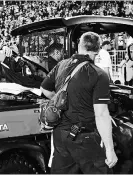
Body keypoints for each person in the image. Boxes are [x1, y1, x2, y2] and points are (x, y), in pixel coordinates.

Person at [40, 32, 118, 173]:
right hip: (83, 137)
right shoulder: (99, 75)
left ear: (79, 46)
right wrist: (110, 150)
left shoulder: (61, 65)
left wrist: (61, 99)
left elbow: (44, 88)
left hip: (60, 134)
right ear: (99, 49)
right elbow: (101, 115)